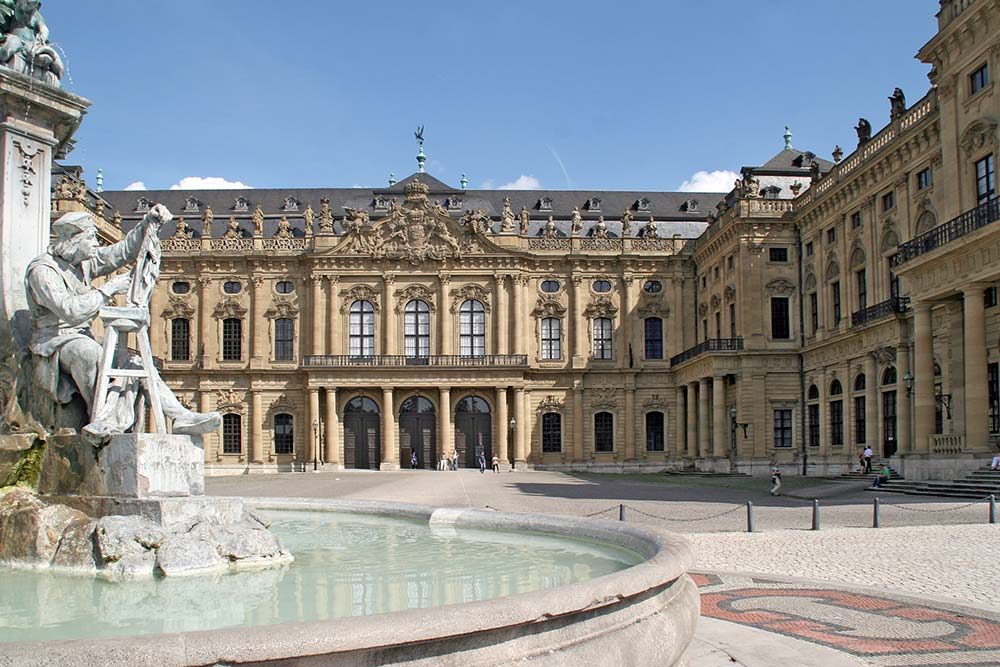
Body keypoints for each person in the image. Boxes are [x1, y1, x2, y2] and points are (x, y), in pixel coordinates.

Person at [25, 208, 221, 443]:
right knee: (89, 353)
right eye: (92, 238)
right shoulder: (43, 271)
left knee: (136, 362)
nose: (96, 243)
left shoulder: (83, 263)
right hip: (54, 341)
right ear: (74, 240)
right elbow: (71, 311)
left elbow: (122, 251)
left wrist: (148, 222)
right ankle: (102, 420)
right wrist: (108, 289)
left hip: (82, 335)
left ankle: (180, 416)